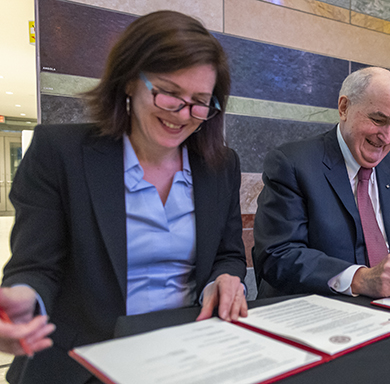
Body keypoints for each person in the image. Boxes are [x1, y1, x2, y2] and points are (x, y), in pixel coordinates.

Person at [0, 11, 248, 383]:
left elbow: (227, 253)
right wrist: (24, 300)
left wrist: (226, 278)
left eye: (200, 101)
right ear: (130, 81)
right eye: (169, 94)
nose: (183, 115)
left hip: (189, 352)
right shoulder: (60, 152)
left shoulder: (220, 165)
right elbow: (37, 265)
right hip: (85, 360)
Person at [253, 67, 390, 298]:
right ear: (344, 108)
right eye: (378, 120)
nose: (387, 137)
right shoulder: (292, 164)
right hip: (319, 311)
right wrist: (360, 279)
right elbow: (278, 254)